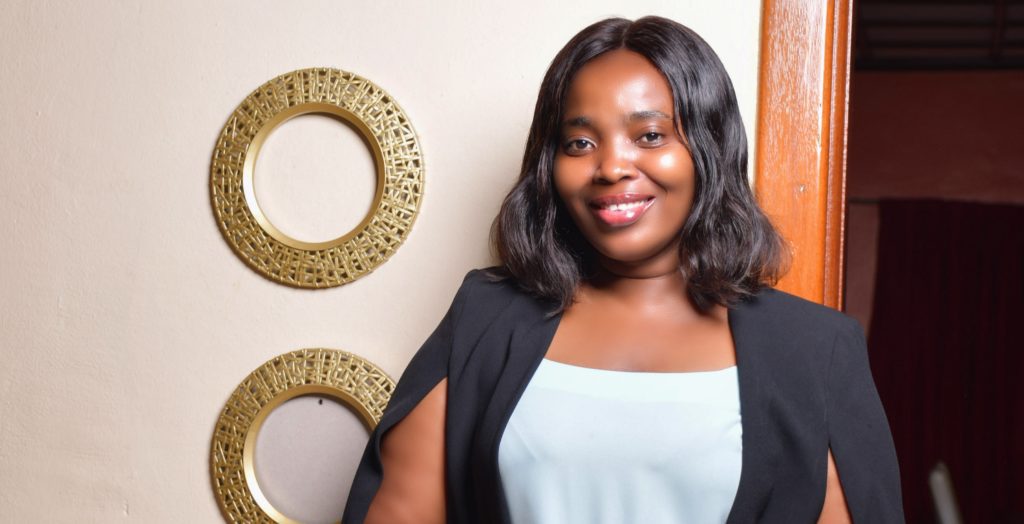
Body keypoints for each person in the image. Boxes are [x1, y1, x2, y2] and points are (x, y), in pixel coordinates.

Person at [343, 16, 903, 524]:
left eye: (650, 136)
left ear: (708, 149)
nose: (611, 166)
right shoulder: (485, 321)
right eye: (579, 142)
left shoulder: (815, 350)